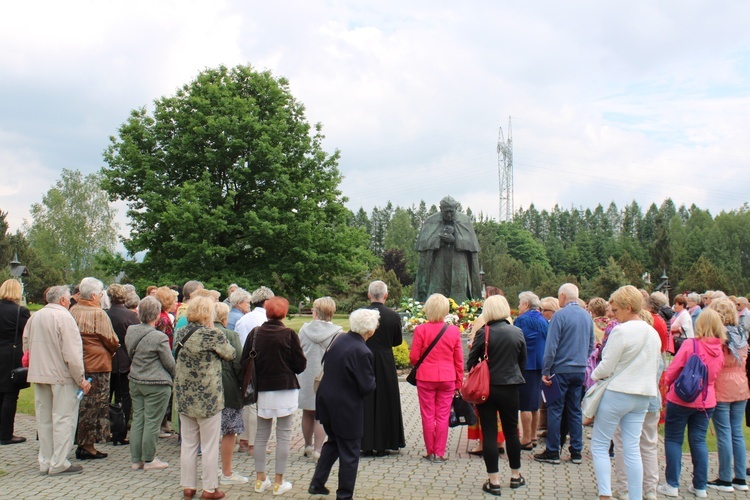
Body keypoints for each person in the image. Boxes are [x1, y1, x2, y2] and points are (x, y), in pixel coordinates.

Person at [589, 286, 660, 500]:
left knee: (600, 444)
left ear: (628, 308)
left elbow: (606, 365)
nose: (613, 315)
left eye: (616, 310)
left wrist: (593, 377)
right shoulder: (653, 332)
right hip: (643, 395)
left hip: (618, 392)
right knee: (632, 448)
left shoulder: (622, 331)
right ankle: (636, 496)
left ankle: (605, 493)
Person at [308, 308, 378, 499]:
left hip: (326, 399)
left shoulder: (339, 339)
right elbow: (366, 386)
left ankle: (317, 483)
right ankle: (344, 495)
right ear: (370, 331)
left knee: (334, 443)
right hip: (345, 406)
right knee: (350, 451)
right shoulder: (363, 351)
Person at [241, 296, 306, 496]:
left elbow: (244, 361)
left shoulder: (255, 333)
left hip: (262, 389)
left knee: (261, 435)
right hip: (285, 387)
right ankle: (279, 480)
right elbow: (299, 365)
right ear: (284, 313)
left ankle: (260, 478)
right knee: (284, 435)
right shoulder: (288, 334)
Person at [23, 285, 91, 475]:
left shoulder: (35, 316)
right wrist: (81, 379)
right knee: (64, 418)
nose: (70, 301)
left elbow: (26, 346)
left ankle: (45, 460)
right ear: (62, 300)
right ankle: (59, 461)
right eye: (69, 298)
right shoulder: (64, 317)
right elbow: (72, 353)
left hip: (40, 372)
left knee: (44, 419)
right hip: (62, 375)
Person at [658, 308, 725, 498]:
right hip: (706, 400)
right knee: (698, 441)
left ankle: (672, 484)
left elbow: (673, 369)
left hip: (681, 397)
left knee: (673, 439)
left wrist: (666, 385)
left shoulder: (691, 345)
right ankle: (700, 486)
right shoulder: (719, 349)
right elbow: (715, 375)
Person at [174, 296, 235, 500]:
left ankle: (188, 486)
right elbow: (230, 354)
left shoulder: (181, 332)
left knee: (189, 444)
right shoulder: (213, 335)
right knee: (209, 445)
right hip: (208, 396)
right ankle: (209, 488)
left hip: (185, 394)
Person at [467, 295, 526, 496]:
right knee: (512, 432)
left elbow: (471, 361)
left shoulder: (484, 332)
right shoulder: (517, 332)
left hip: (487, 389)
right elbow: (522, 362)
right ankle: (516, 476)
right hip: (511, 388)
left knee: (490, 433)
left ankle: (494, 481)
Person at [534, 283, 594, 465]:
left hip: (560, 369)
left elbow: (551, 346)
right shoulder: (587, 316)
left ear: (562, 296)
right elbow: (591, 344)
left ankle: (553, 451)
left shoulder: (559, 316)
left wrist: (546, 371)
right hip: (579, 370)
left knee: (555, 409)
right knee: (575, 410)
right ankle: (576, 451)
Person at [409, 293, 463, 462]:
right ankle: (439, 452)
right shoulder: (453, 331)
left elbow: (414, 357)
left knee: (428, 414)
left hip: (426, 377)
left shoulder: (420, 330)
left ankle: (430, 450)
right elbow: (459, 360)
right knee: (442, 415)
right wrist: (459, 382)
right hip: (447, 377)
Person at [70, 277, 120, 460]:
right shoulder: (97, 314)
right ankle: (88, 446)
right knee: (95, 406)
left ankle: (81, 442)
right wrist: (113, 349)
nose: (100, 297)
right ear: (92, 296)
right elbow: (112, 340)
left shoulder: (73, 310)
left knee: (81, 405)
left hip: (79, 364)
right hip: (98, 365)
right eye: (99, 294)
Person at [126, 296, 175, 472]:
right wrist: (176, 376)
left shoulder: (131, 330)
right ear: (156, 314)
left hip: (136, 379)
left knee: (138, 419)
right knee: (152, 421)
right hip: (156, 383)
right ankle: (149, 459)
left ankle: (136, 459)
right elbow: (169, 363)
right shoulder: (158, 337)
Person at [706, 298, 749, 492]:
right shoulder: (740, 333)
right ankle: (740, 477)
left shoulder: (719, 336)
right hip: (740, 384)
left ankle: (725, 478)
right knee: (736, 432)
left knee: (724, 432)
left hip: (723, 383)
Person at [297, 297, 344, 460]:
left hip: (306, 374)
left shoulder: (303, 330)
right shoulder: (338, 333)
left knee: (307, 412)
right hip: (326, 376)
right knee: (322, 415)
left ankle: (307, 445)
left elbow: (298, 350)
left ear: (316, 311)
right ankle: (318, 449)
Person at [362, 280, 406, 456]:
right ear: (386, 295)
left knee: (364, 398)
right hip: (385, 359)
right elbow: (397, 341)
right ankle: (384, 443)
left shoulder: (361, 314)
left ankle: (365, 442)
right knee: (386, 399)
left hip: (363, 357)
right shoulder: (393, 316)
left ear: (369, 295)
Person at [413, 195, 481, 303]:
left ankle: (461, 309)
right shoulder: (431, 221)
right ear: (440, 209)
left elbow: (471, 245)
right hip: (438, 261)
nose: (449, 215)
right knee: (437, 290)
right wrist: (439, 240)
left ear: (456, 209)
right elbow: (424, 243)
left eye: (451, 212)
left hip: (459, 260)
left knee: (459, 289)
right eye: (446, 212)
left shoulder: (465, 220)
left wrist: (455, 240)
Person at [235, 285, 274, 455]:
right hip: (259, 364)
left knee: (247, 402)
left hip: (243, 362)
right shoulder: (265, 319)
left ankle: (244, 439)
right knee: (256, 405)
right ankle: (253, 443)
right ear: (266, 302)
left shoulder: (244, 318)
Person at [212, 302, 247, 485]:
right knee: (229, 430)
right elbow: (238, 362)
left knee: (209, 432)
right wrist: (244, 386)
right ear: (224, 318)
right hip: (228, 388)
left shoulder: (200, 333)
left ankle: (210, 471)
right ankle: (227, 471)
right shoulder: (230, 335)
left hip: (207, 390)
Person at [106, 283, 140, 444]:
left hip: (108, 359)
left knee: (107, 395)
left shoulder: (105, 314)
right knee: (125, 396)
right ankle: (121, 431)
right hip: (125, 359)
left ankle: (106, 429)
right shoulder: (131, 316)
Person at [514, 291, 548, 450]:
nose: (518, 306)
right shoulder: (543, 320)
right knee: (535, 403)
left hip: (525, 365)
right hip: (540, 365)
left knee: (525, 405)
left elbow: (516, 342)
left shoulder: (521, 320)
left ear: (526, 305)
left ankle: (526, 439)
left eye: (520, 303)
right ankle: (533, 436)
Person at [0, 279, 31, 445]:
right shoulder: (20, 312)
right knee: (10, 395)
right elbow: (26, 333)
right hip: (11, 356)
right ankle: (6, 434)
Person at [153, 285, 177, 437]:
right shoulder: (163, 319)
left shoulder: (162, 316)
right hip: (162, 362)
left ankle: (163, 424)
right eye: (174, 299)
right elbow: (165, 343)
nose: (177, 302)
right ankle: (159, 426)